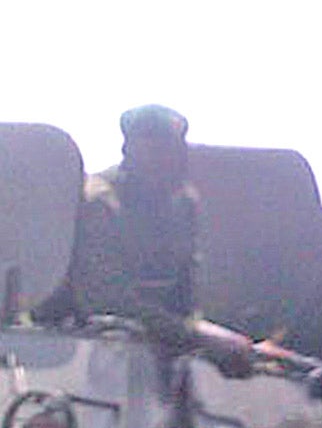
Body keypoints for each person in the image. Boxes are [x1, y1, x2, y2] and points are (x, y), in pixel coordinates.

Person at [40, 105, 202, 329]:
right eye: (157, 152)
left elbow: (185, 293)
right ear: (128, 150)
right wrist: (192, 334)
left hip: (158, 332)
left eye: (175, 151)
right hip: (86, 337)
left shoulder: (182, 203)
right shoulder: (100, 204)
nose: (170, 162)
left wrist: (196, 332)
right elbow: (105, 301)